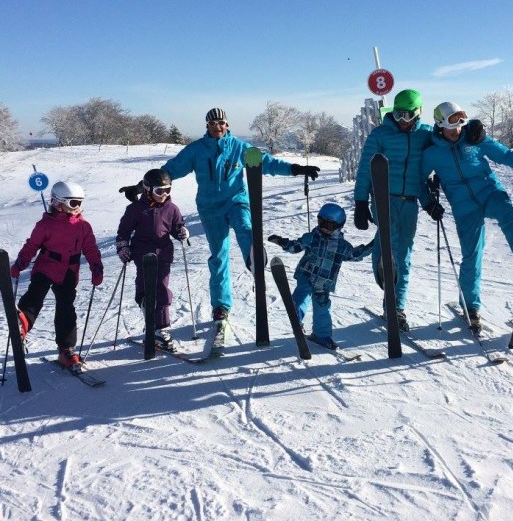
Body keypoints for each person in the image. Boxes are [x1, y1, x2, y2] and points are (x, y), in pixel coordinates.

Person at [162, 107, 320, 321]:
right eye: (212, 124)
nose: (217, 127)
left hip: (236, 201)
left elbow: (267, 163)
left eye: (221, 123)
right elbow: (172, 169)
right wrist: (146, 183)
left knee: (245, 227)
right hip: (209, 208)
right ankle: (221, 305)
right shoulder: (196, 150)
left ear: (227, 124)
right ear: (207, 126)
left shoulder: (239, 147)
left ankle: (253, 256)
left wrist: (295, 169)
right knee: (218, 256)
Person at [420, 102, 513, 328]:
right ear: (440, 123)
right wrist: (428, 202)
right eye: (452, 123)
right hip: (463, 207)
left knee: (508, 215)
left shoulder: (475, 139)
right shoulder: (432, 153)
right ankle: (470, 305)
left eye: (461, 122)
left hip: (490, 192)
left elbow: (507, 156)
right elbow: (417, 179)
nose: (458, 129)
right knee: (472, 255)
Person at [352, 89, 433, 332]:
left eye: (408, 115)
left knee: (404, 254)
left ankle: (396, 306)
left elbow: (447, 145)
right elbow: (366, 168)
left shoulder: (426, 134)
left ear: (418, 113)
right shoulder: (380, 135)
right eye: (398, 114)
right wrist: (360, 202)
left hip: (410, 200)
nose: (403, 120)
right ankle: (385, 276)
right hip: (383, 197)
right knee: (390, 242)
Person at [10, 181, 104, 367]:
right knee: (36, 293)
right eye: (73, 203)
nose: (78, 208)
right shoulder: (45, 224)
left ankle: (66, 349)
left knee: (66, 307)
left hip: (69, 271)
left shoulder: (83, 226)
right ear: (57, 202)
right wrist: (21, 263)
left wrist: (96, 266)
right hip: (46, 265)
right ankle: (22, 323)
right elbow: (32, 246)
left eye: (80, 203)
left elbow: (91, 249)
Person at [267, 203, 374, 349]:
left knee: (322, 308)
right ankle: (296, 317)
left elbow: (356, 255)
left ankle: (322, 335)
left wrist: (373, 245)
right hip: (306, 275)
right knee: (301, 296)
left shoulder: (342, 246)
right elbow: (295, 246)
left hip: (324, 283)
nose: (323, 227)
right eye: (321, 222)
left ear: (338, 226)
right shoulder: (312, 238)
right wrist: (281, 241)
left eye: (328, 225)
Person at [115, 169, 189, 352]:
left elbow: (177, 226)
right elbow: (123, 231)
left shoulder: (172, 208)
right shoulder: (135, 209)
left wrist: (182, 232)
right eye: (159, 191)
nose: (164, 195)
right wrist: (123, 247)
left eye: (168, 190)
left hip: (163, 253)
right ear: (147, 189)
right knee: (146, 287)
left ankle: (160, 329)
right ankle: (146, 305)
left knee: (162, 289)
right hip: (142, 254)